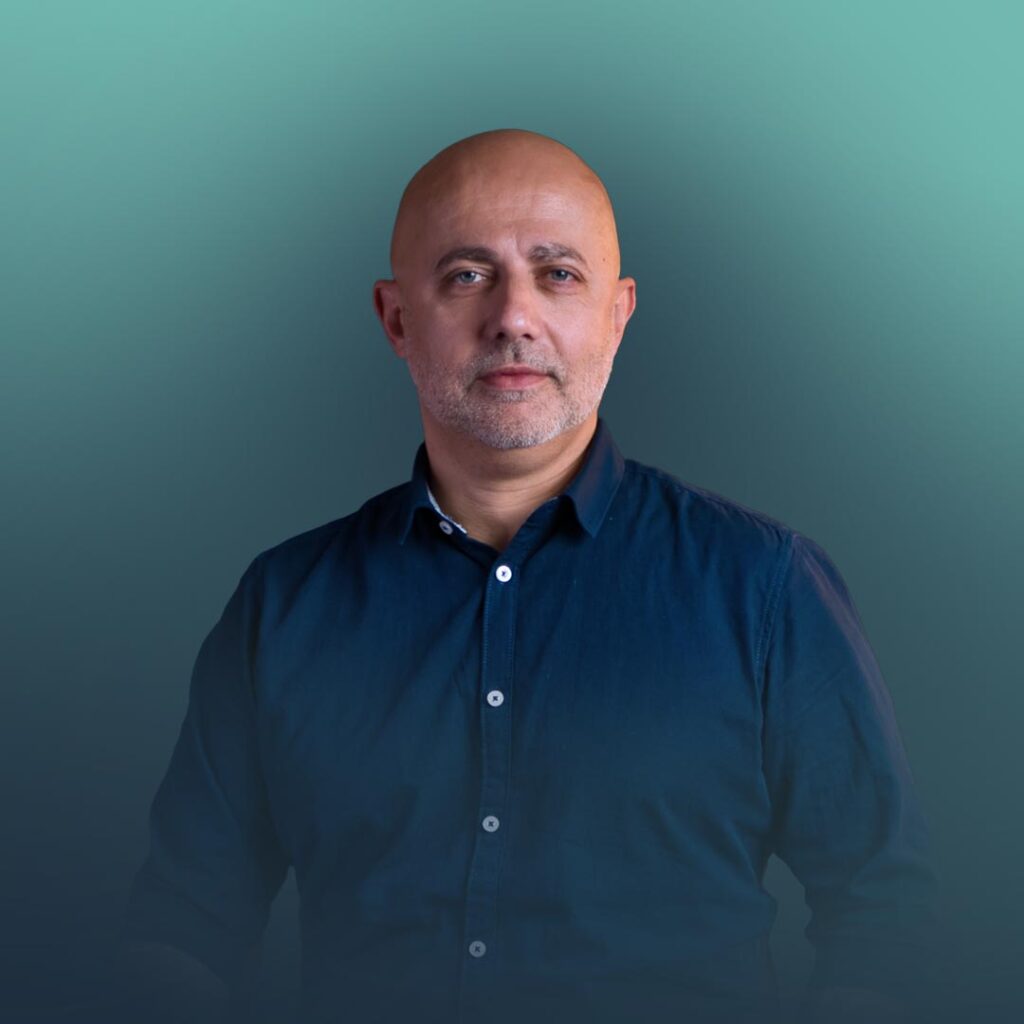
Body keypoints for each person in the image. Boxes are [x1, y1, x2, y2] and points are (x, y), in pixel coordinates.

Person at [115, 128, 937, 1023]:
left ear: (617, 315)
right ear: (396, 319)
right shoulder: (280, 608)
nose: (513, 317)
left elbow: (885, 918)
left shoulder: (767, 589)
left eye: (558, 274)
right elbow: (183, 929)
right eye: (468, 275)